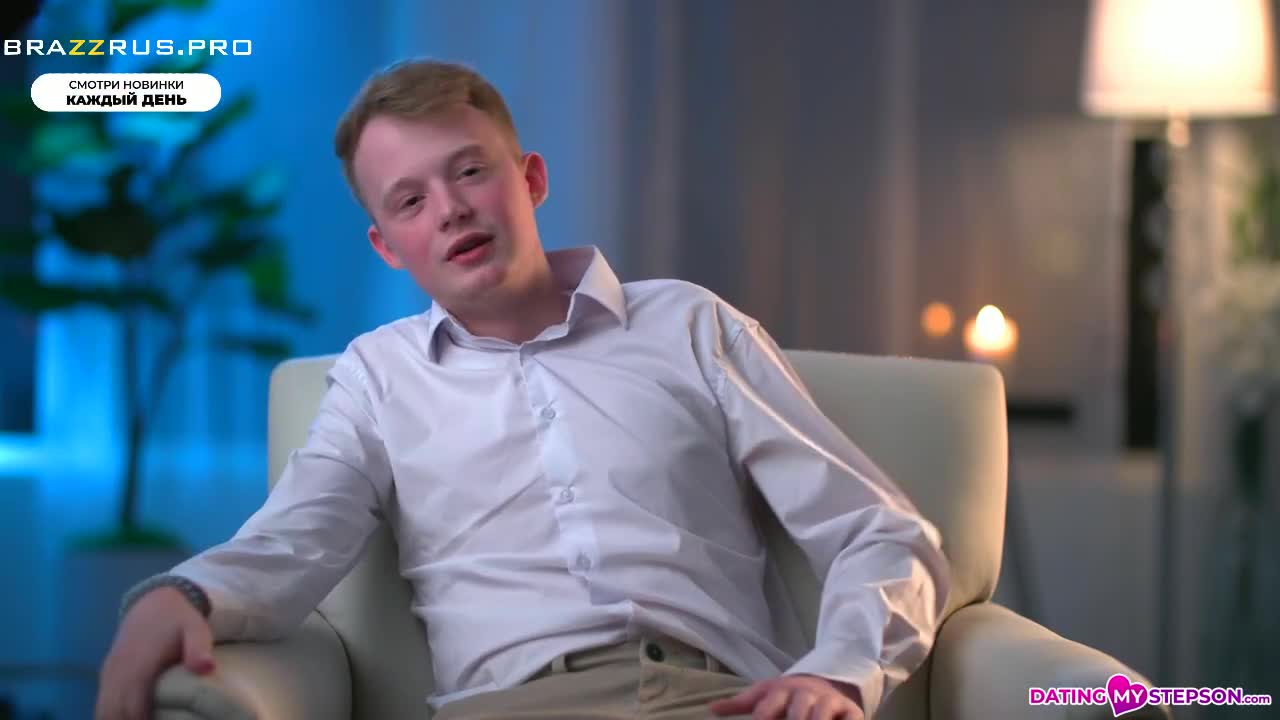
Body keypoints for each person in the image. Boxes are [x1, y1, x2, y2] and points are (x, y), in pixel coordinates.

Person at [96, 58, 950, 720]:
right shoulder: (376, 377)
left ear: (531, 180)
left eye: (470, 171)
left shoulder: (689, 325)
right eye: (410, 200)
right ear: (387, 246)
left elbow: (877, 530)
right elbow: (295, 537)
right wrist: (180, 594)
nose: (450, 209)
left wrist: (838, 672)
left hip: (718, 700)